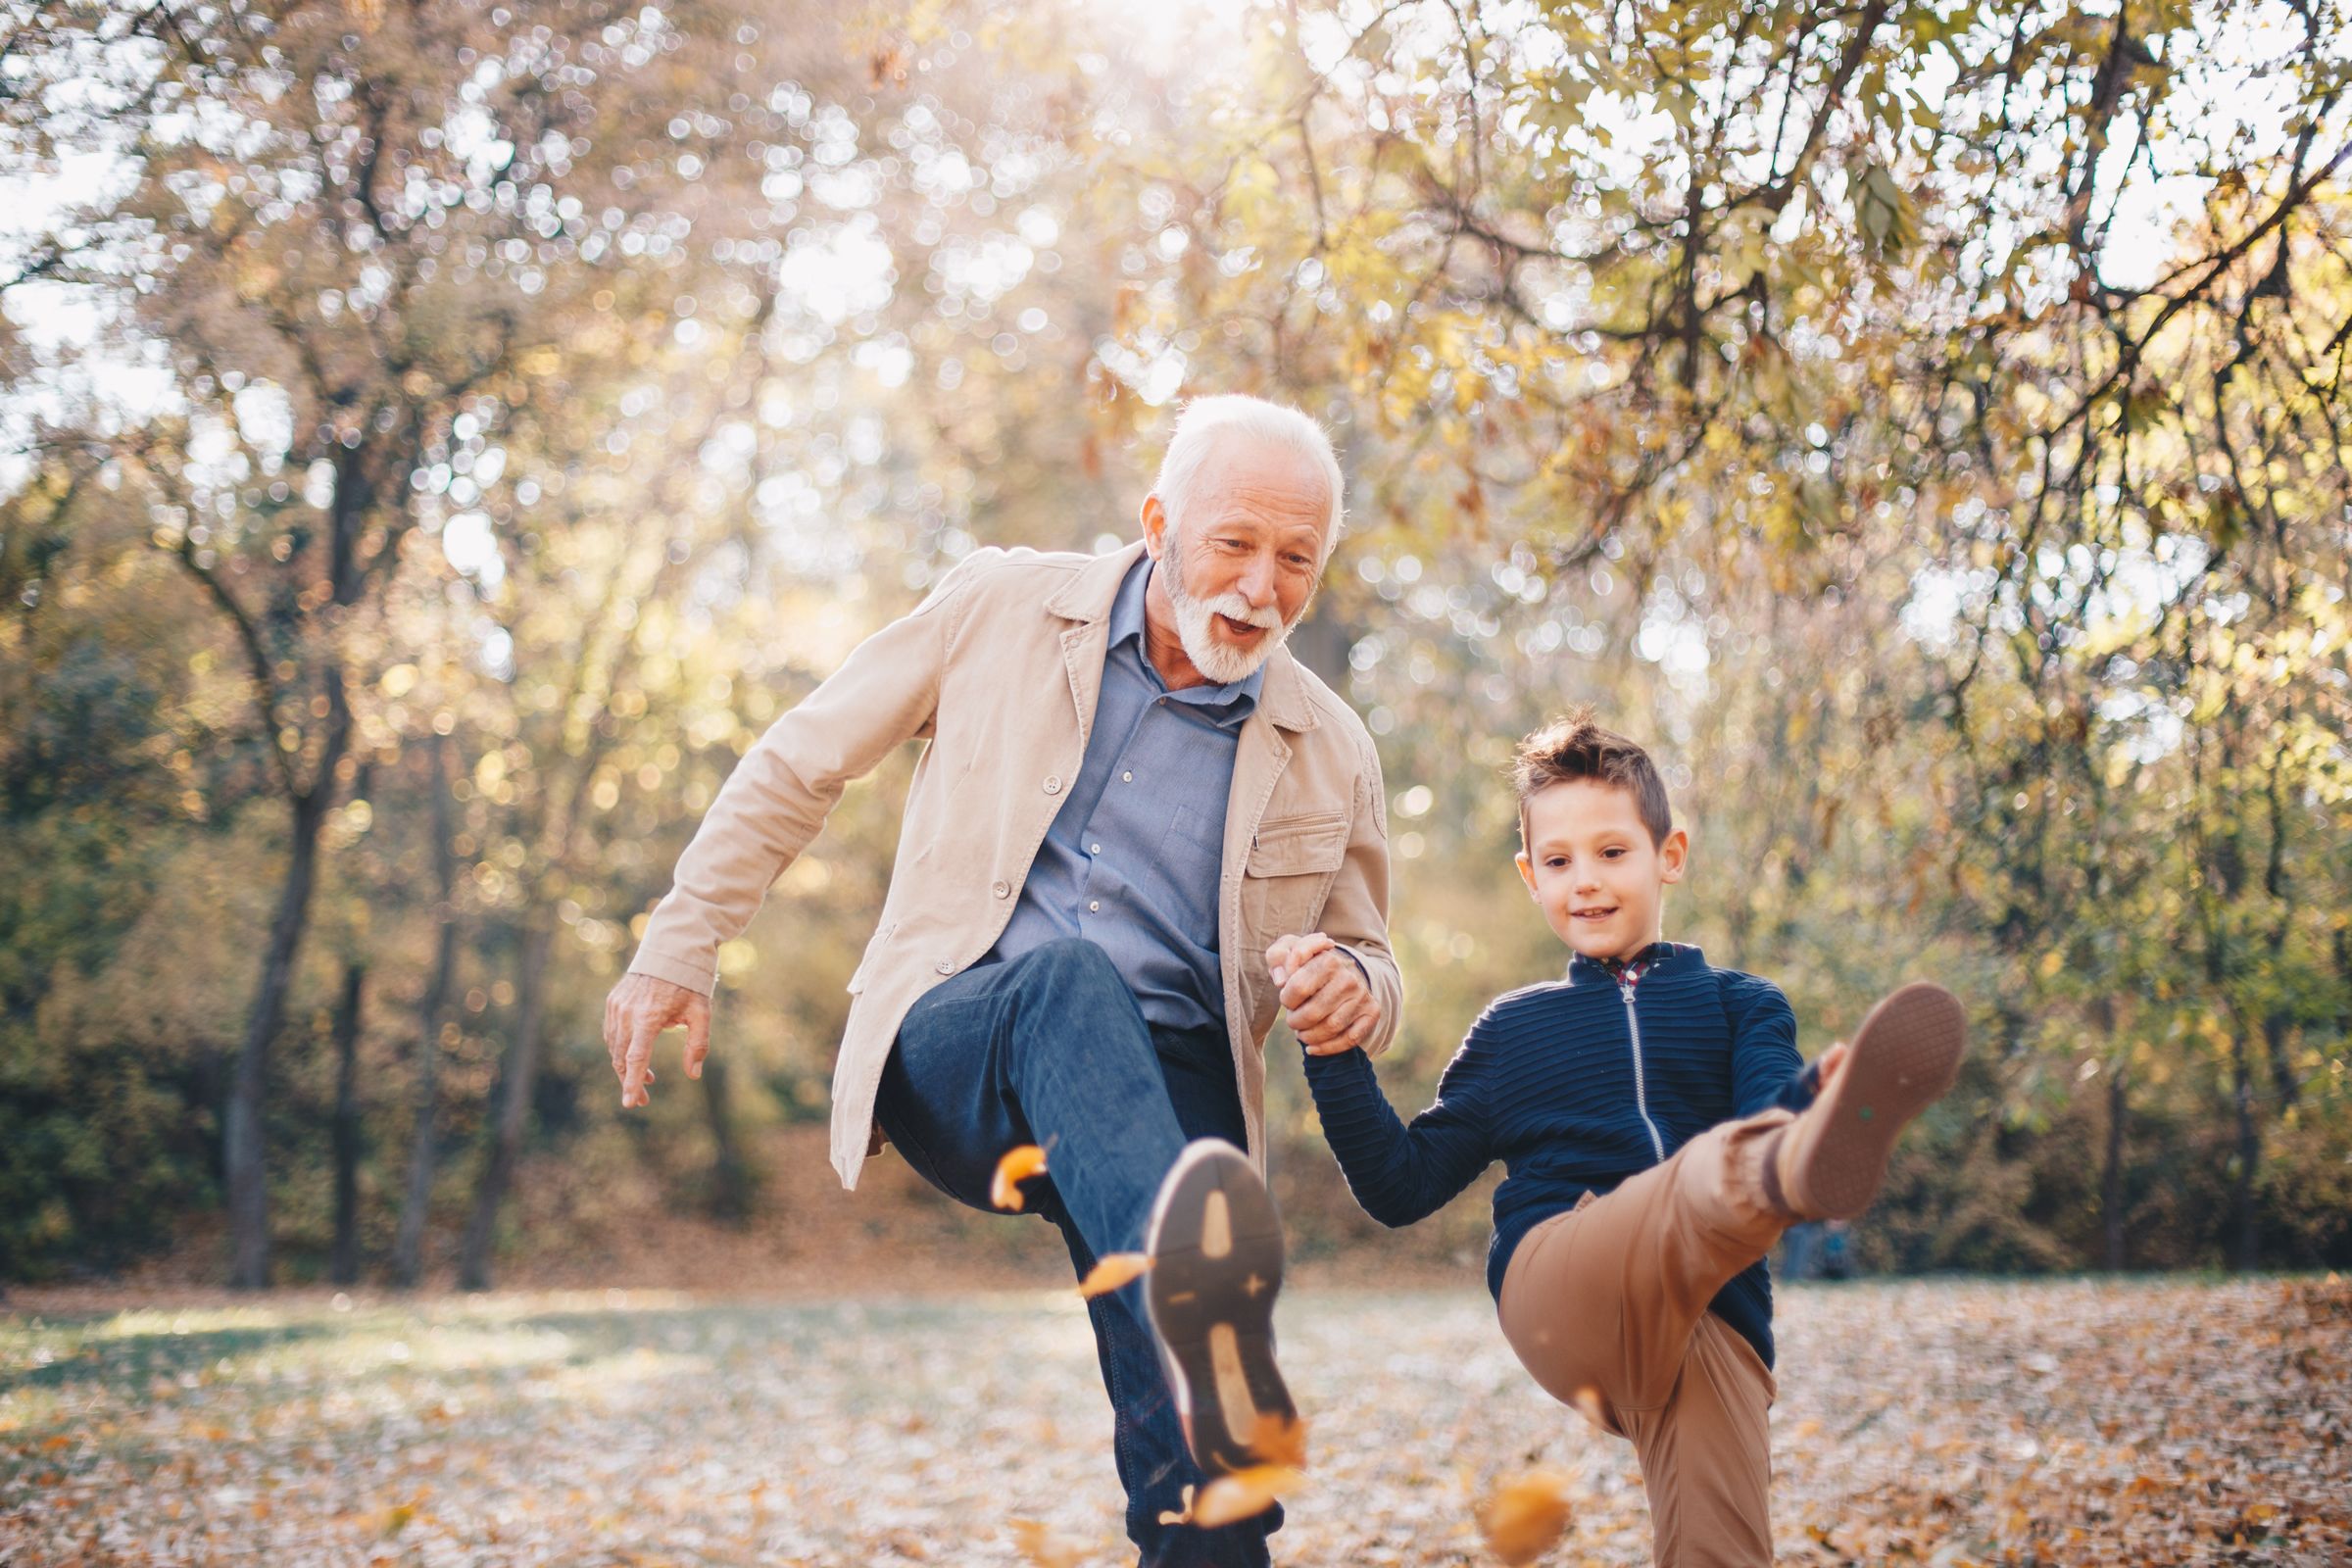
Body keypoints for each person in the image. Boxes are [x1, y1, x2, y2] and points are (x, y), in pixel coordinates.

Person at [601, 393, 1403, 1567]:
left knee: (1201, 1474)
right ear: (1158, 522)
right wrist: (681, 938)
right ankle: (1206, 1312)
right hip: (966, 1037)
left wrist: (1354, 991)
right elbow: (802, 758)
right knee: (1069, 987)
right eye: (1235, 542)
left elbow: (1373, 959)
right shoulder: (1000, 605)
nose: (1262, 584)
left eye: (1298, 560)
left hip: (1166, 1093)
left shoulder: (1331, 750)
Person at [1289, 710, 1964, 1566]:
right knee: (1712, 1178)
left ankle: (1794, 1158)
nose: (1588, 882)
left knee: (1724, 1551)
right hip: (1565, 1278)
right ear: (1531, 876)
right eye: (1561, 862)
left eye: (1613, 853)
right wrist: (1330, 1045)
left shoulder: (1740, 1004)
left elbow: (1767, 1103)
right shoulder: (1514, 1031)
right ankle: (1788, 1169)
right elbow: (1400, 1183)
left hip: (1713, 1313)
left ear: (1668, 855)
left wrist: (1815, 1105)